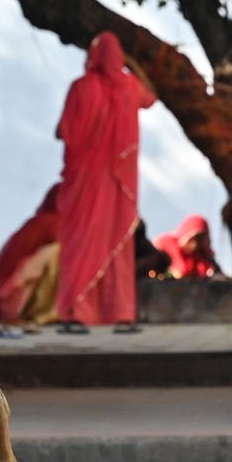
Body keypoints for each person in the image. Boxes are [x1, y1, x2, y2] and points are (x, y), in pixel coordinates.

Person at [54, 32, 157, 334]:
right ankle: (122, 313)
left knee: (81, 244)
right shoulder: (129, 87)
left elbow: (65, 132)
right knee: (117, 247)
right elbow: (151, 98)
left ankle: (75, 311)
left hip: (84, 183)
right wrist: (135, 67)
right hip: (118, 185)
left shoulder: (81, 88)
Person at [0, 185, 62, 327]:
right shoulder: (53, 224)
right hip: (12, 298)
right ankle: (44, 313)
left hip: (1, 297)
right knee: (60, 253)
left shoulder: (38, 221)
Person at [154, 214, 223, 280]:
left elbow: (218, 276)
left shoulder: (205, 259)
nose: (194, 245)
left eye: (199, 241)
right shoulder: (165, 247)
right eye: (192, 240)